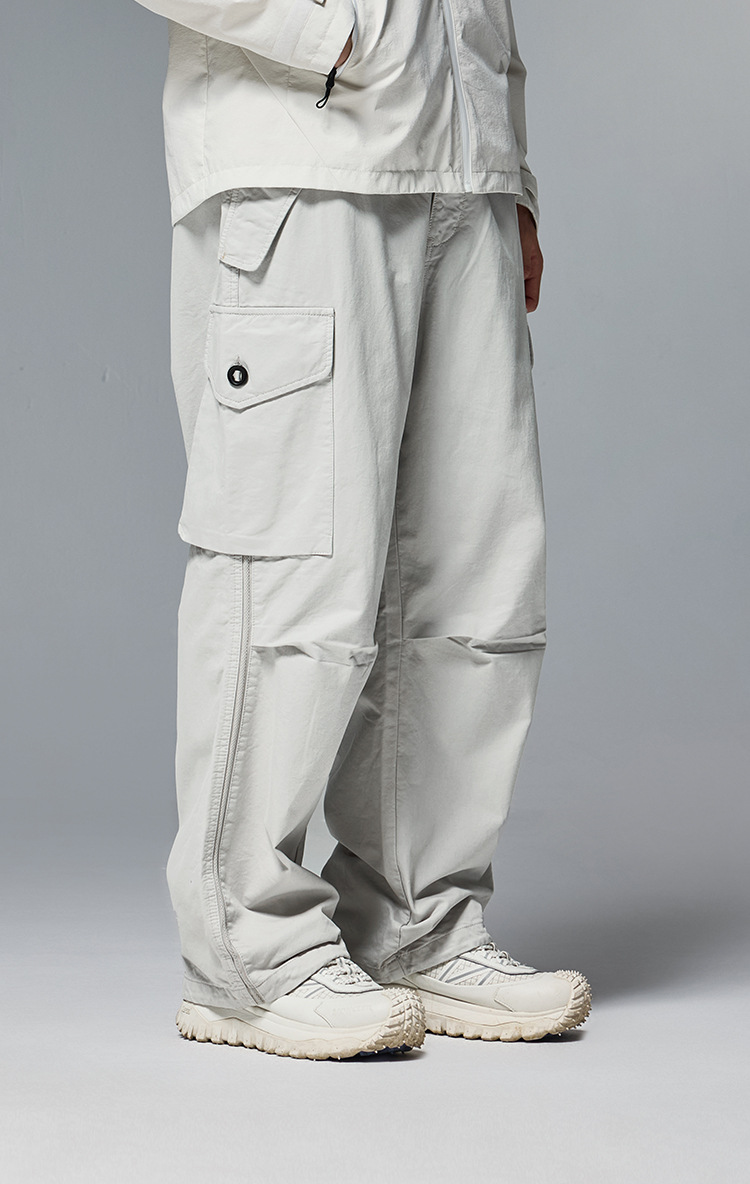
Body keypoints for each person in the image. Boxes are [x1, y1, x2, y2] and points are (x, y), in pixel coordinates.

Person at [134, 0, 591, 1059]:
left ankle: (416, 922)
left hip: (461, 165)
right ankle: (245, 952)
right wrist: (329, 31)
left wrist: (507, 167)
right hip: (303, 154)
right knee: (292, 566)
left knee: (467, 581)